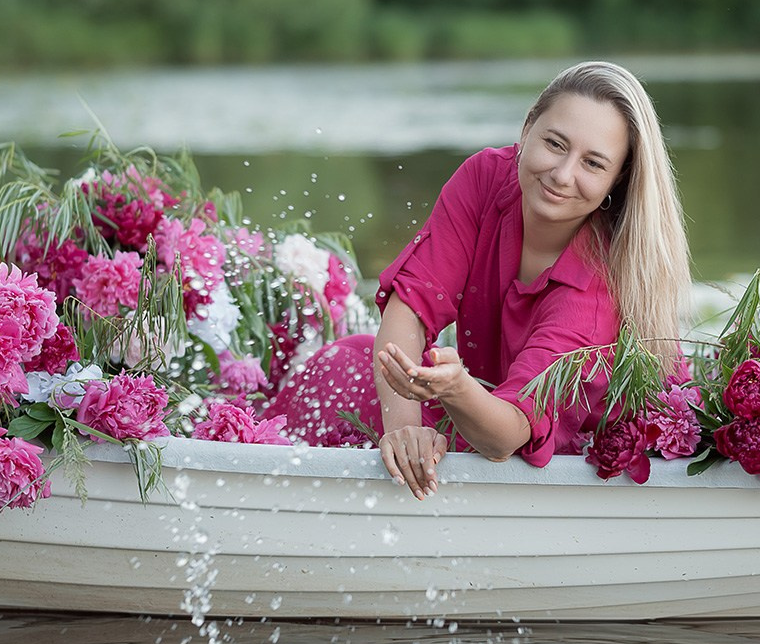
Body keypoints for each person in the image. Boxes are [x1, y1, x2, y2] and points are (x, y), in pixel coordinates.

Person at [264, 61, 690, 499]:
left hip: (556, 453)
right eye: (555, 143)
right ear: (527, 130)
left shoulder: (596, 288)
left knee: (456, 427)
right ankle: (267, 477)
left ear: (616, 180)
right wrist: (405, 430)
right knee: (347, 361)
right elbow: (411, 305)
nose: (563, 175)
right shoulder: (486, 178)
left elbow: (506, 437)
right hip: (479, 407)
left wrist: (456, 388)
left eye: (593, 163)